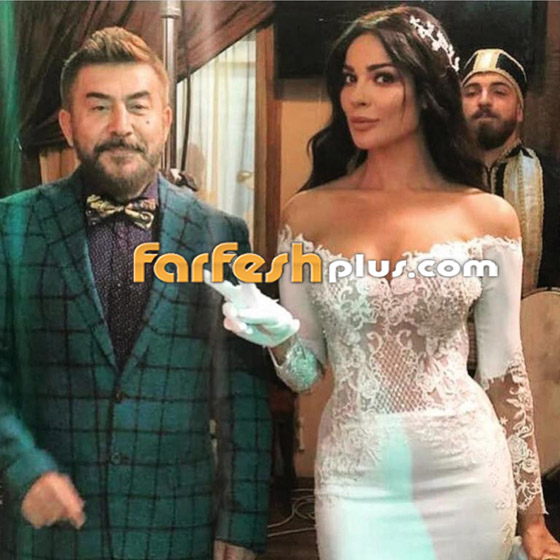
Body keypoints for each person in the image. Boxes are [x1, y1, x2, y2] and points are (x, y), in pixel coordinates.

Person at [206, 6, 560, 560]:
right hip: (357, 479)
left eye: (382, 77)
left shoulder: (487, 217)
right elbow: (305, 375)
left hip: (467, 472)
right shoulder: (307, 215)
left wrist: (532, 519)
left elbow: (505, 373)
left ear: (427, 91)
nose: (357, 96)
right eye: (350, 78)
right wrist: (278, 335)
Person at [0, 27, 271, 560]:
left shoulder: (221, 235)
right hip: (48, 537)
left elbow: (243, 397)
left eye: (138, 107)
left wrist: (242, 523)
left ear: (164, 121)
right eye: (99, 107)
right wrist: (21, 468)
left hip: (178, 529)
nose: (120, 126)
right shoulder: (12, 226)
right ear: (67, 124)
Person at [461, 48, 560, 294]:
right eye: (471, 92)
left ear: (519, 111)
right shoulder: (434, 178)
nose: (484, 100)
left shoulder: (554, 181)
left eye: (499, 92)